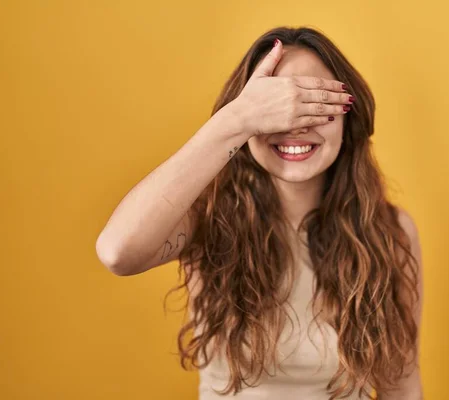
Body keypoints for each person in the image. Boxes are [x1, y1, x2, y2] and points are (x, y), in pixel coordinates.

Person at [96, 26, 424, 400]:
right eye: (275, 105)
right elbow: (117, 252)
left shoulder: (391, 232)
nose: (295, 124)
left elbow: (402, 383)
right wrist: (236, 119)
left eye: (313, 102)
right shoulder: (207, 223)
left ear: (349, 116)